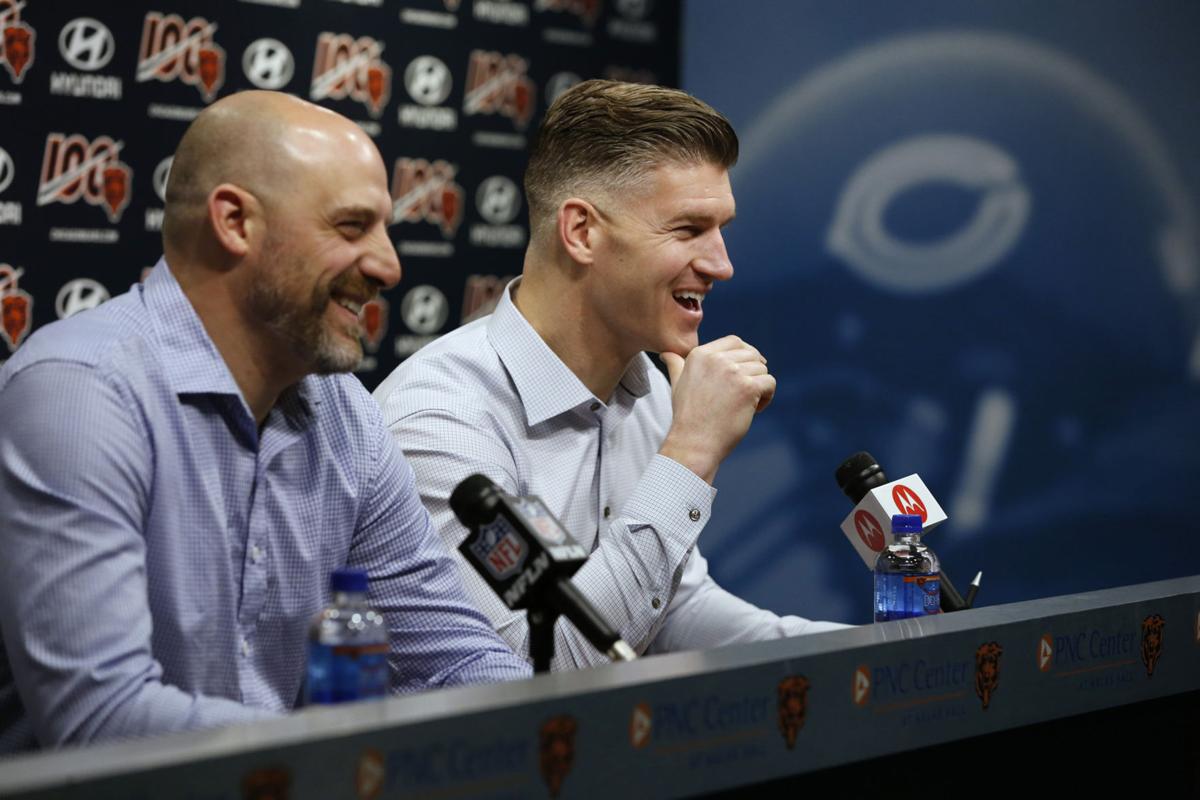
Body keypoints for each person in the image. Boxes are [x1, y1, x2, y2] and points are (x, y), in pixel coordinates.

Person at [0, 91, 530, 753]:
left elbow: (457, 660)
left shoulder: (348, 420)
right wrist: (347, 758)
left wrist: (535, 738)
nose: (389, 266)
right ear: (235, 222)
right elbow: (101, 720)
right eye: (350, 226)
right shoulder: (80, 395)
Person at [373, 80, 847, 671]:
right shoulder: (442, 418)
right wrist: (690, 453)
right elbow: (528, 678)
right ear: (582, 233)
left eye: (721, 229)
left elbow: (671, 611)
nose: (722, 265)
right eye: (688, 230)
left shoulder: (645, 389)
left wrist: (855, 654)